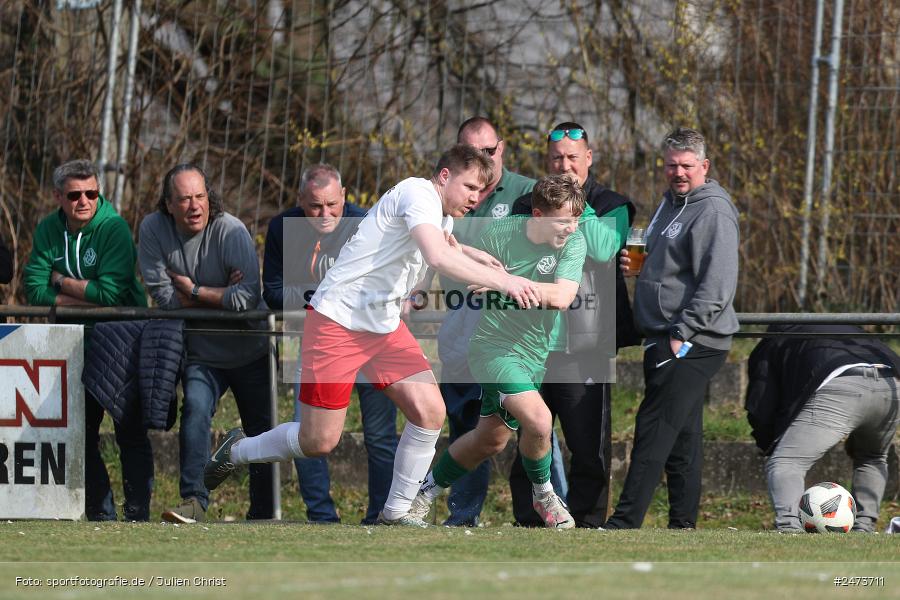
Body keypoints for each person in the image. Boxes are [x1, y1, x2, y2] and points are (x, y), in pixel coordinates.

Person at [205, 144, 542, 527]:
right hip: (337, 322)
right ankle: (238, 450)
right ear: (444, 176)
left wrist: (473, 254)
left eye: (481, 191)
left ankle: (396, 513)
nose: (475, 198)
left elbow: (445, 243)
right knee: (320, 442)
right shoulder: (417, 192)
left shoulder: (438, 212)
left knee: (430, 411)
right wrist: (505, 281)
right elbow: (436, 256)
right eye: (469, 187)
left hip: (382, 328)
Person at [409, 174, 587, 529]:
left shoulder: (573, 241)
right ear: (537, 215)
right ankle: (545, 495)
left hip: (533, 354)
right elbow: (453, 257)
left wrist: (507, 285)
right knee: (539, 420)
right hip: (493, 348)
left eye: (575, 220)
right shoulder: (501, 233)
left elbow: (562, 297)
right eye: (563, 220)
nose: (571, 228)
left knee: (489, 439)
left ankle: (423, 492)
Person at [604, 127, 739, 530]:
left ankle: (625, 522)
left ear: (705, 166)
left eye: (686, 166)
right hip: (664, 332)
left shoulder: (713, 210)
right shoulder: (671, 203)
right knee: (682, 438)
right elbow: (671, 265)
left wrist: (683, 332)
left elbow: (718, 284)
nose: (678, 173)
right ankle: (683, 524)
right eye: (671, 165)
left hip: (690, 339)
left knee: (654, 428)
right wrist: (641, 271)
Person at [435, 117, 564, 527]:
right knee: (475, 426)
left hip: (516, 334)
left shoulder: (529, 192)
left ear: (501, 149)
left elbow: (558, 258)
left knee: (517, 427)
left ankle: (547, 506)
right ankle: (461, 515)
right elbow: (442, 251)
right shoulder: (440, 199)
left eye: (488, 152)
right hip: (466, 330)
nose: (482, 162)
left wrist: (508, 282)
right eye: (472, 154)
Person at [508, 121, 636, 527]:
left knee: (588, 448)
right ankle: (529, 519)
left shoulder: (613, 203)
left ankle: (587, 521)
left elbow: (602, 248)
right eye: (557, 159)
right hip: (532, 343)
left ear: (589, 159)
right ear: (546, 161)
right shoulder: (526, 203)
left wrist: (573, 206)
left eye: (572, 159)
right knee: (530, 437)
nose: (564, 167)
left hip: (587, 347)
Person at [263, 163, 397, 525]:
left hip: (368, 340)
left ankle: (381, 516)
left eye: (332, 206)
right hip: (311, 342)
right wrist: (329, 295)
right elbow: (272, 294)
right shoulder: (281, 228)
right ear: (300, 201)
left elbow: (385, 283)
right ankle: (321, 517)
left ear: (345, 198)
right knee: (308, 434)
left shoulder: (368, 222)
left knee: (381, 435)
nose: (324, 215)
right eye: (314, 207)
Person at [139, 163, 274, 524]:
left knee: (264, 430)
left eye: (199, 196)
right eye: (183, 199)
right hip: (202, 354)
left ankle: (263, 512)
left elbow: (247, 298)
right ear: (168, 204)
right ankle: (194, 502)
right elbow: (164, 299)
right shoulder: (153, 229)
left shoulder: (231, 230)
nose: (193, 205)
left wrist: (194, 290)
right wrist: (221, 295)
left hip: (251, 349)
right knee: (195, 413)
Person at [23, 159, 151, 521]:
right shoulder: (48, 229)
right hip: (71, 343)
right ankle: (100, 511)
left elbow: (111, 294)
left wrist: (60, 283)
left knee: (130, 432)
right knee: (80, 433)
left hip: (120, 340)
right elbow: (33, 289)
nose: (84, 201)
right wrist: (80, 298)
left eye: (92, 193)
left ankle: (139, 514)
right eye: (75, 194)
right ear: (58, 197)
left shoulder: (114, 228)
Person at [746, 324, 900, 533]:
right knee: (872, 456)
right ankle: (865, 527)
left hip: (841, 381)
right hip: (892, 381)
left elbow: (762, 400)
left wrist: (767, 442)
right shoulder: (849, 329)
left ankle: (788, 526)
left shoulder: (775, 339)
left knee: (786, 462)